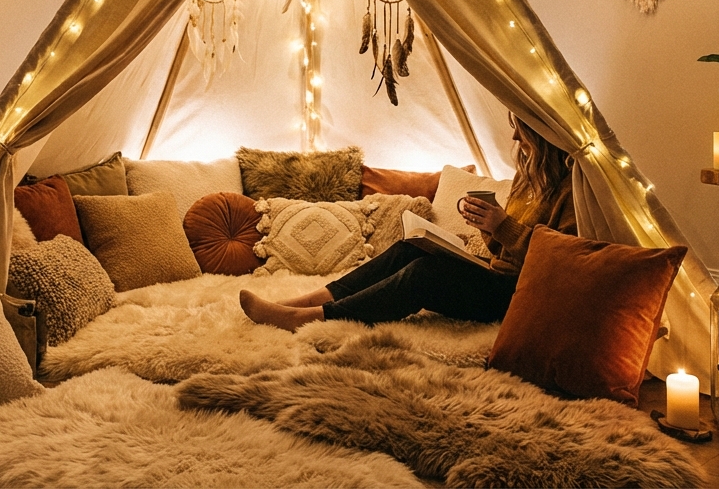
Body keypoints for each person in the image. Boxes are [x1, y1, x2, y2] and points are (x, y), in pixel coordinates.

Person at [240, 114, 577, 331]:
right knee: (408, 250)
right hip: (496, 273)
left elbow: (560, 261)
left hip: (521, 295)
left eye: (520, 128)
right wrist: (487, 227)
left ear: (541, 132)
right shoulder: (527, 176)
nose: (515, 138)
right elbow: (504, 245)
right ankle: (304, 301)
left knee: (425, 274)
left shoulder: (572, 189)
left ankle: (309, 319)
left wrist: (501, 224)